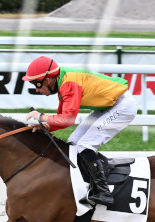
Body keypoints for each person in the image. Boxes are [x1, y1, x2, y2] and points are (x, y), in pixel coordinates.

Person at [22, 55, 138, 207]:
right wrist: (46, 126)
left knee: (85, 145)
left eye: (37, 83)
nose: (37, 89)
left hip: (122, 106)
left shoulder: (68, 83)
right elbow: (62, 119)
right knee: (74, 142)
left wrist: (41, 116)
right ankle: (91, 178)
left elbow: (67, 119)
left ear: (48, 79)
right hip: (108, 106)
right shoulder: (62, 81)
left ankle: (104, 192)